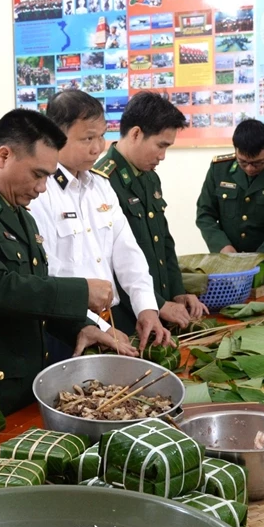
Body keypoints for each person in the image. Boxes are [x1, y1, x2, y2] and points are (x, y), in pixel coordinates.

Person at [0, 109, 118, 415]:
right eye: (38, 174)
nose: (43, 187)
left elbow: (34, 296)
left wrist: (81, 327)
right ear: (3, 156)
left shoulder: (20, 215)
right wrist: (81, 292)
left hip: (29, 382)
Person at [31, 91, 172, 361]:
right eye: (87, 138)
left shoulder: (101, 185)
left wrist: (147, 308)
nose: (98, 147)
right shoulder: (41, 191)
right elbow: (49, 274)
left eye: (101, 136)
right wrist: (100, 327)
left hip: (114, 322)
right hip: (69, 329)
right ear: (56, 137)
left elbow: (128, 253)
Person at [92, 92, 208, 334]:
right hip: (126, 317)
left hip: (160, 309)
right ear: (136, 134)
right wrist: (156, 303)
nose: (163, 156)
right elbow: (109, 262)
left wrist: (177, 293)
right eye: (160, 145)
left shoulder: (149, 178)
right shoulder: (101, 182)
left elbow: (164, 240)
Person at [195, 119, 264, 292]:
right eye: (243, 162)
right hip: (225, 266)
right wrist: (223, 247)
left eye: (257, 162)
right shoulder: (219, 169)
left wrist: (256, 264)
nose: (250, 168)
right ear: (235, 149)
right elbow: (205, 214)